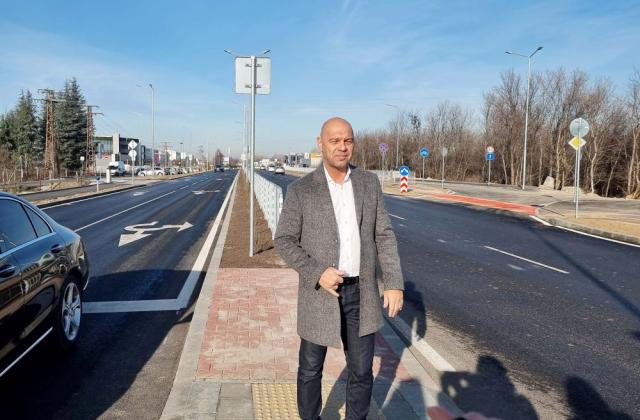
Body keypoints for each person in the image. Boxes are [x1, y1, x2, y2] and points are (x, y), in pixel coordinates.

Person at [274, 117, 404, 420]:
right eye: (334, 141)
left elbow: (383, 234)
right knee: (310, 369)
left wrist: (393, 282)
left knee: (361, 371)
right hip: (320, 292)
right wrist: (317, 271)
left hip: (362, 293)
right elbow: (284, 240)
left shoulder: (368, 183)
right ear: (320, 144)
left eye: (348, 140)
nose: (342, 147)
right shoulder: (301, 190)